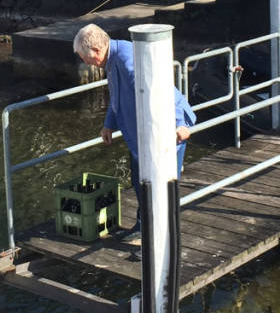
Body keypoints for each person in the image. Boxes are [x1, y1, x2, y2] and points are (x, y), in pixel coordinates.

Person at [73, 24, 195, 234]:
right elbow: (116, 94)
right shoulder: (112, 61)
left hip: (164, 132)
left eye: (85, 57)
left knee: (161, 189)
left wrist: (180, 124)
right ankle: (143, 226)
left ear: (96, 50)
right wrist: (108, 125)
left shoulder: (127, 59)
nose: (85, 63)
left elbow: (160, 89)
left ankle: (161, 239)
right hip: (140, 135)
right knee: (140, 183)